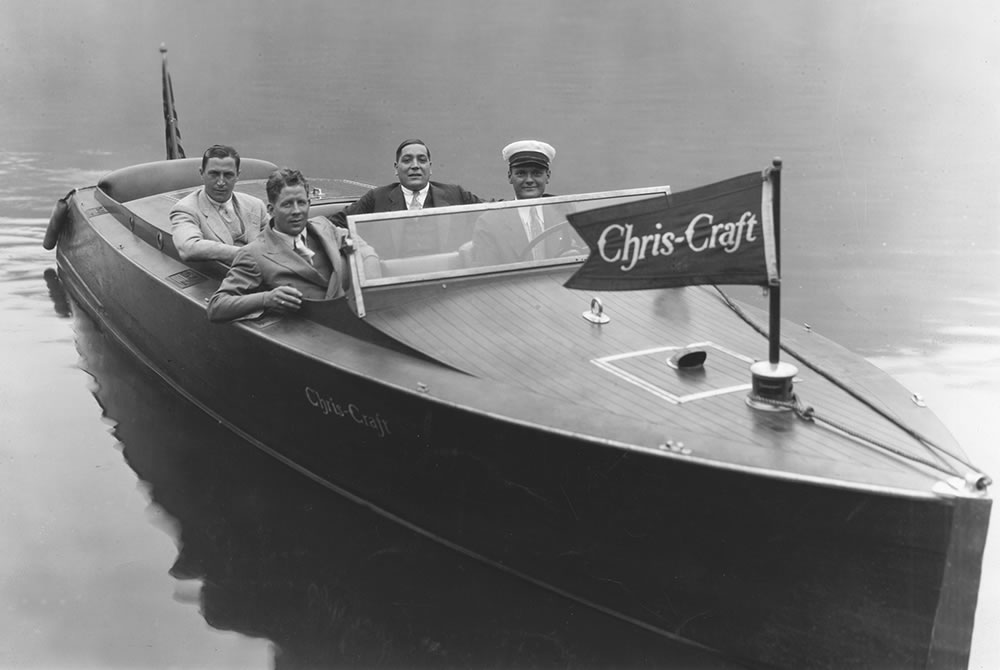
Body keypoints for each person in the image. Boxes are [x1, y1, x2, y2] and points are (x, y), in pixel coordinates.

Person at [207, 168, 380, 323]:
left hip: (355, 321)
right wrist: (266, 298)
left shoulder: (325, 227)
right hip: (310, 334)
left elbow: (363, 249)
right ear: (271, 210)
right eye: (287, 204)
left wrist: (371, 292)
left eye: (301, 203)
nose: (296, 211)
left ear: (309, 204)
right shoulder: (253, 254)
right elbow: (217, 306)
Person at [328, 139, 484, 257]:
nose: (415, 166)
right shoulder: (376, 198)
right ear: (396, 168)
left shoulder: (455, 194)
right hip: (392, 283)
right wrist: (359, 248)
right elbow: (332, 224)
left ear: (430, 168)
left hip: (447, 281)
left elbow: (492, 212)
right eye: (407, 160)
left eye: (422, 160)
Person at [470, 140, 577, 266]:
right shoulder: (490, 222)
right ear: (510, 176)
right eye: (521, 173)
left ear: (547, 176)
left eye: (537, 173)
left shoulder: (564, 211)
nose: (529, 180)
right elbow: (486, 271)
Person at [170, 145, 270, 264]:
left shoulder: (255, 205)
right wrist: (246, 254)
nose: (221, 182)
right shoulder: (185, 209)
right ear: (201, 173)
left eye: (228, 175)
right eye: (214, 174)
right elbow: (189, 247)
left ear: (237, 175)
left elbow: (279, 239)